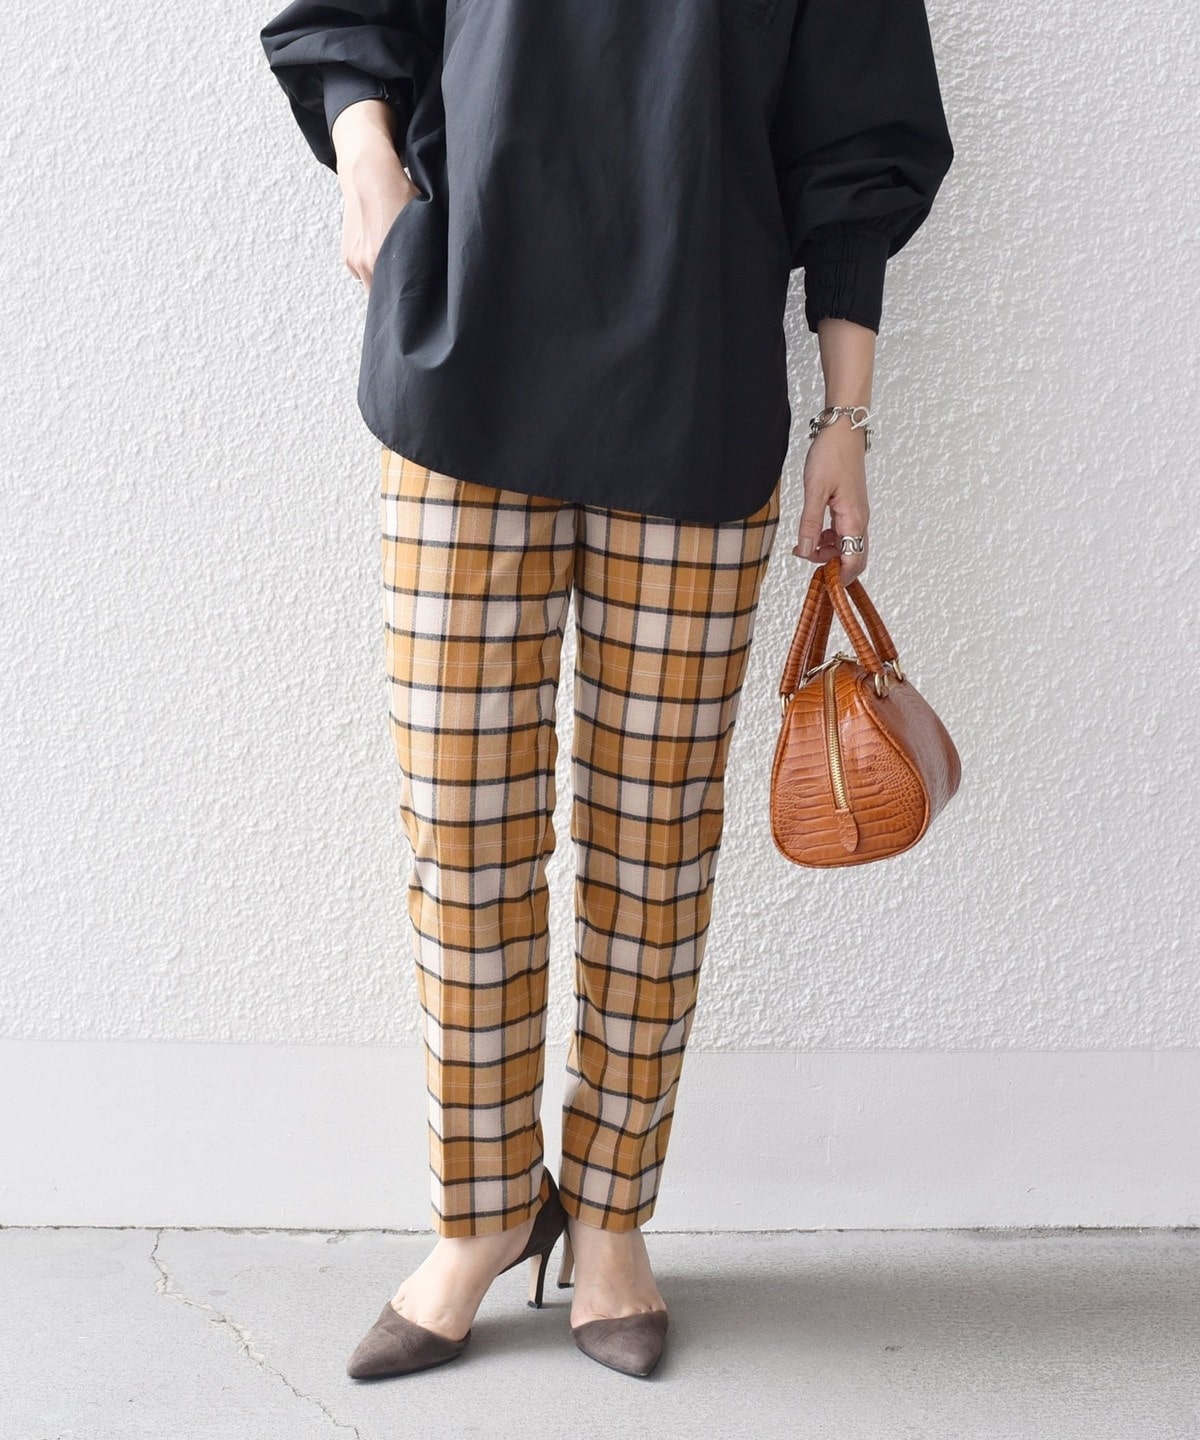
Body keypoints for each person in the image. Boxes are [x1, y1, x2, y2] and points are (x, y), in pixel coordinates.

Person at [259, 0, 953, 1380]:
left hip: (697, 393)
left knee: (656, 846)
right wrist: (369, 174)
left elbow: (855, 140)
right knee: (464, 834)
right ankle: (479, 1215)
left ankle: (614, 1216)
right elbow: (347, 19)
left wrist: (847, 418)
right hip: (460, 372)